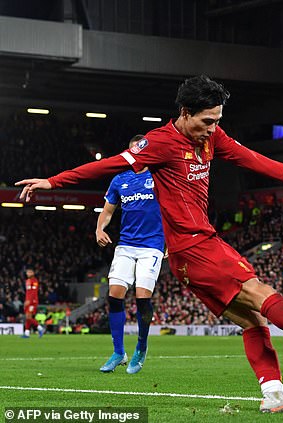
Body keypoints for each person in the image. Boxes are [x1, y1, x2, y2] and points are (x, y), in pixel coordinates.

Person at [16, 75, 283, 413]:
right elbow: (111, 164)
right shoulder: (160, 142)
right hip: (194, 246)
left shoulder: (212, 137)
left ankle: (274, 394)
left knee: (252, 320)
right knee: (260, 293)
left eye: (217, 120)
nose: (213, 128)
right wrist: (54, 182)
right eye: (207, 121)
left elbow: (250, 158)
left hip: (190, 252)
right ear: (185, 113)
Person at [96, 135, 165, 374]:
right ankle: (118, 352)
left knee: (142, 297)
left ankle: (141, 347)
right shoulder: (119, 180)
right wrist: (99, 229)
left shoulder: (159, 177)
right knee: (114, 295)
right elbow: (107, 211)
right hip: (126, 245)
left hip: (152, 245)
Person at [22, 268, 43, 338]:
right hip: (28, 301)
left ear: (33, 273)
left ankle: (40, 328)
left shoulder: (34, 281)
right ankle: (27, 333)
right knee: (28, 317)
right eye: (27, 272)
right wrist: (26, 300)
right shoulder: (27, 281)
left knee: (28, 316)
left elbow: (34, 292)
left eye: (30, 272)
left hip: (33, 301)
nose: (28, 273)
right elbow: (28, 292)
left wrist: (29, 300)